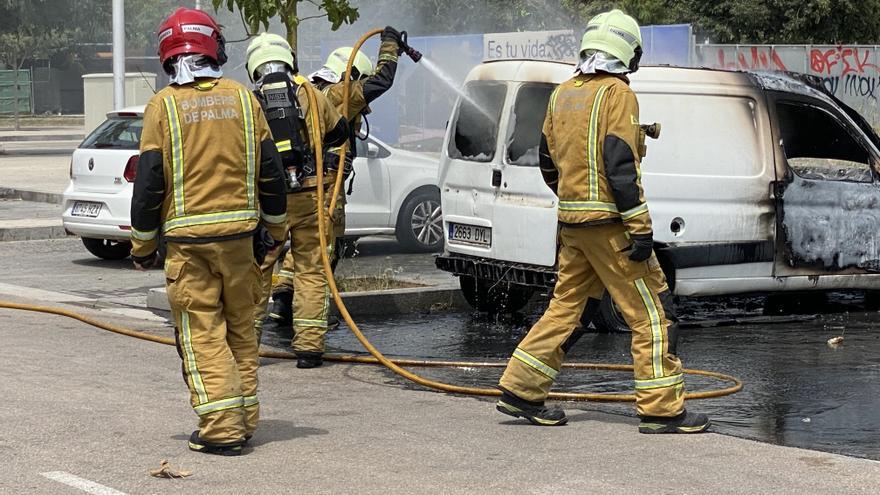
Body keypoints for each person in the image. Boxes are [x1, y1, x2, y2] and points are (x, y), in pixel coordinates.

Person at [495, 9, 710, 434]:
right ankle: (662, 409)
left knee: (567, 310)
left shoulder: (562, 94)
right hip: (611, 228)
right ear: (626, 52)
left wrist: (575, 201)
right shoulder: (617, 94)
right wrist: (641, 229)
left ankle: (521, 390)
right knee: (652, 315)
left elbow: (546, 161)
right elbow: (619, 166)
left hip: (573, 226)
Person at [130, 8, 288, 456]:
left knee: (202, 333)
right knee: (240, 330)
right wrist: (274, 231)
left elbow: (149, 182)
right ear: (213, 47)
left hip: (189, 247)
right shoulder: (242, 98)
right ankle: (245, 417)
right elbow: (271, 173)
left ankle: (222, 427)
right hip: (242, 241)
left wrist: (142, 246)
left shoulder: (163, 106)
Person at [261, 26, 406, 335]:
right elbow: (381, 81)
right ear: (350, 72)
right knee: (322, 252)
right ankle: (315, 319)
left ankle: (284, 301)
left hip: (294, 185)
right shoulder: (341, 92)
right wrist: (390, 47)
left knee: (297, 247)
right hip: (326, 186)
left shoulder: (307, 88)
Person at [245, 32, 348, 368]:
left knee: (259, 268)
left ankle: (248, 344)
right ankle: (308, 348)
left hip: (269, 200)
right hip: (310, 195)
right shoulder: (310, 93)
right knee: (311, 270)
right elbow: (339, 133)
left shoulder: (250, 99)